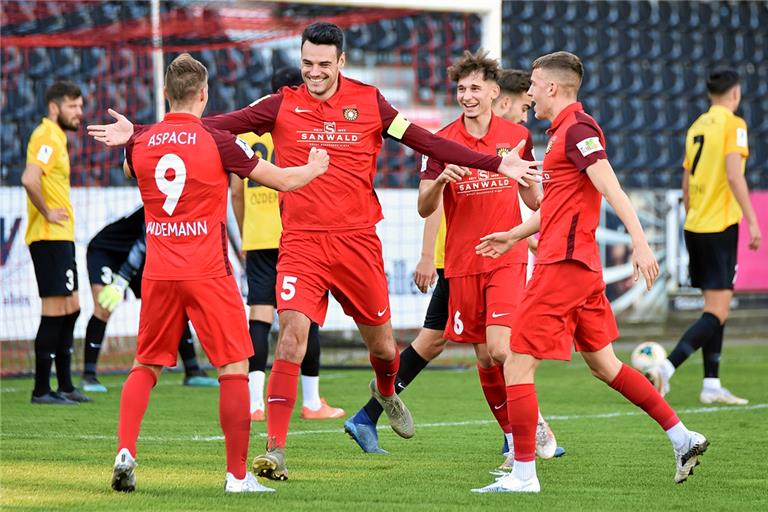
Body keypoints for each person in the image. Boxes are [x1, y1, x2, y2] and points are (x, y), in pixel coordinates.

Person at [87, 22, 541, 482]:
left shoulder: (371, 102)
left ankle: (386, 391)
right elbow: (205, 127)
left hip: (358, 241)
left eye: (324, 64)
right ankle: (276, 451)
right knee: (290, 336)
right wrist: (140, 132)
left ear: (341, 62)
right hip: (301, 242)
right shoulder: (281, 103)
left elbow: (427, 141)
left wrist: (493, 160)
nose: (314, 72)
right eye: (307, 63)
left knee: (384, 348)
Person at [472, 51, 708, 493]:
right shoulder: (559, 133)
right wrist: (512, 234)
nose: (530, 93)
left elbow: (609, 183)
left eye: (535, 86)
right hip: (578, 268)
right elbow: (558, 208)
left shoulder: (579, 128)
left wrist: (640, 241)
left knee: (517, 366)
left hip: (563, 267)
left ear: (553, 89)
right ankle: (682, 437)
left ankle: (524, 475)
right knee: (605, 365)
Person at [107, 53, 328, 494]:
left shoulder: (143, 143)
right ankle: (237, 477)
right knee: (234, 367)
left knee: (145, 364)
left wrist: (134, 134)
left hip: (159, 273)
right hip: (207, 272)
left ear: (166, 94)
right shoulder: (218, 140)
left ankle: (126, 450)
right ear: (205, 94)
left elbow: (130, 165)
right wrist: (315, 167)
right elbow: (282, 180)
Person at [344, 63, 560, 465]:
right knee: (481, 357)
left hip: (505, 259)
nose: (467, 96)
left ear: (495, 92)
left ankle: (528, 428)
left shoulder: (517, 137)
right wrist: (442, 180)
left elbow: (532, 200)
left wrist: (534, 192)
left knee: (498, 347)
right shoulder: (440, 141)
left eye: (475, 88)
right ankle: (515, 440)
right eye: (461, 89)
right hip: (462, 264)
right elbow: (425, 205)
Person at [231, 67, 344, 421]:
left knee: (260, 315)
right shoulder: (300, 119)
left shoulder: (247, 128)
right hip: (298, 230)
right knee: (306, 314)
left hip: (258, 233)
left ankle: (253, 403)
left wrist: (245, 231)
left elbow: (235, 190)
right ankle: (311, 402)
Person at [647, 67, 761, 404]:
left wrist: (693, 213)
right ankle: (666, 368)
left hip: (695, 223)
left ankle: (711, 384)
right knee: (718, 312)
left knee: (714, 307)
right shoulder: (734, 124)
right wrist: (753, 221)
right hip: (720, 225)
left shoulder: (697, 125)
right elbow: (734, 175)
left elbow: (686, 180)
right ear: (736, 93)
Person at [82, 206, 219, 392]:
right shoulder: (163, 205)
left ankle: (193, 371)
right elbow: (141, 244)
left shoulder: (193, 208)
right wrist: (121, 282)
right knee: (104, 307)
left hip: (139, 256)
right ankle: (88, 376)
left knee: (174, 303)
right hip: (106, 252)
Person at [21, 80, 90, 405]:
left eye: (80, 106)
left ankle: (64, 384)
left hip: (61, 238)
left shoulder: (56, 137)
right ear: (54, 107)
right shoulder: (46, 135)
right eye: (73, 106)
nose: (80, 112)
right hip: (48, 238)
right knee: (55, 309)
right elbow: (29, 178)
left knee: (72, 307)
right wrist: (47, 211)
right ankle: (40, 389)